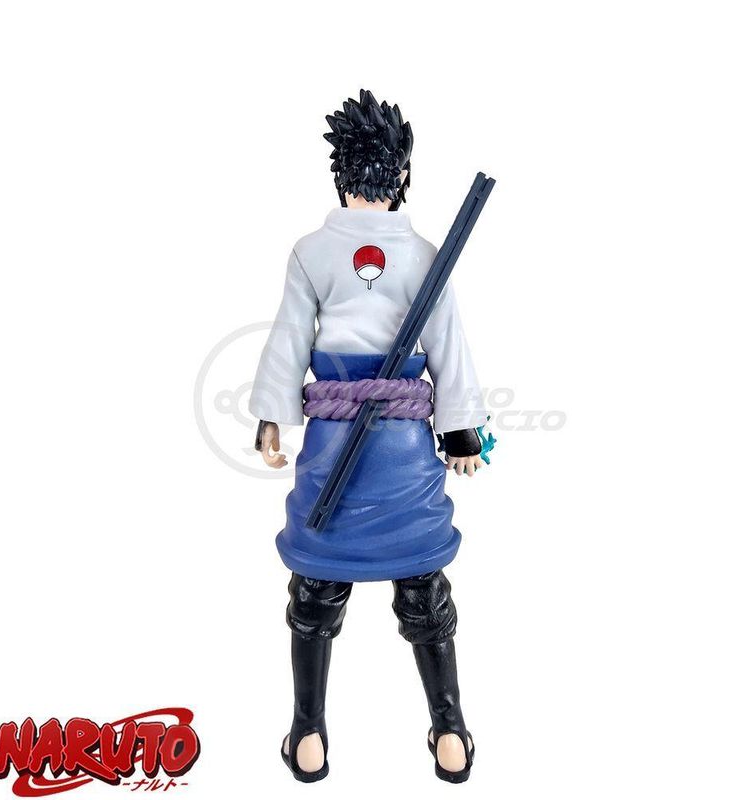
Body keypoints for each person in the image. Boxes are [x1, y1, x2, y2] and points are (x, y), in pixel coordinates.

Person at [250, 89, 490, 783]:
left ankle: (307, 735)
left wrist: (271, 417)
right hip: (402, 453)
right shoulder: (424, 257)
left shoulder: (311, 253)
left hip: (333, 448)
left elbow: (289, 341)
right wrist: (463, 434)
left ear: (339, 173)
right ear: (403, 175)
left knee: (316, 587)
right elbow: (449, 349)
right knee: (421, 583)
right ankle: (450, 731)